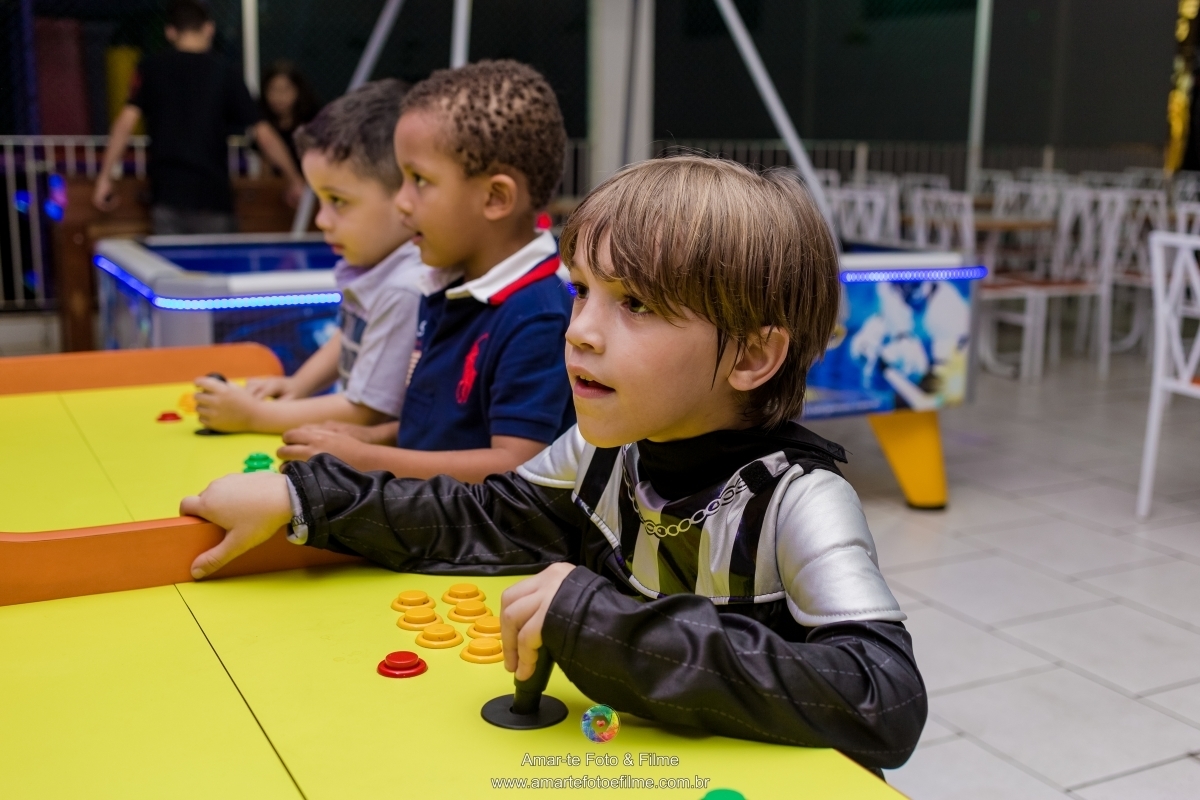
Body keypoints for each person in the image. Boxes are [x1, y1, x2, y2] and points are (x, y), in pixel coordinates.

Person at [181, 156, 927, 773]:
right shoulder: (605, 453)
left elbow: (884, 698)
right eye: (581, 292)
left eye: (634, 303)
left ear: (755, 355)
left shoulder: (801, 501)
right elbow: (479, 517)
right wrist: (304, 498)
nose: (581, 333)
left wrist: (607, 625)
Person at [273, 60, 576, 484]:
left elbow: (514, 466)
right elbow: (442, 427)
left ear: (495, 197)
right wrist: (371, 437)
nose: (401, 203)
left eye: (418, 180)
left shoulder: (536, 315)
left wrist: (366, 458)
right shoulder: (449, 284)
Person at [193, 79, 426, 435]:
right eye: (319, 200)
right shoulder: (376, 267)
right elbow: (351, 339)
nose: (320, 220)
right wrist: (298, 385)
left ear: (406, 198)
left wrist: (253, 417)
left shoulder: (404, 288)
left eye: (338, 201)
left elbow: (364, 412)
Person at [92, 0, 305, 233]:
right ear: (209, 28)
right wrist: (293, 178)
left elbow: (124, 124)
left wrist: (105, 177)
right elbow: (263, 134)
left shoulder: (151, 68)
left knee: (169, 267)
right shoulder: (225, 71)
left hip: (167, 195)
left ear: (170, 32)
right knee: (220, 266)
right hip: (213, 198)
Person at [260, 60, 320, 167]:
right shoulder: (261, 124)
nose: (279, 97)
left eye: (285, 89)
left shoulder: (313, 122)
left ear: (298, 90)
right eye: (273, 89)